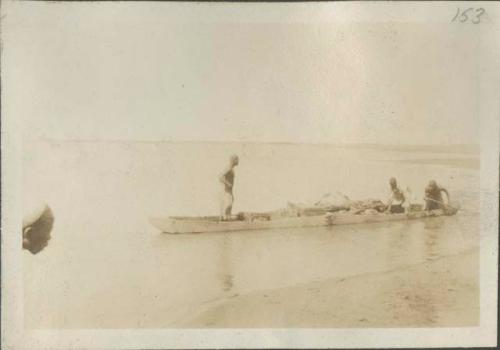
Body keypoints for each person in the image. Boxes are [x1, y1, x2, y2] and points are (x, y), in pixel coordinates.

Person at [219, 155, 239, 221]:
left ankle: (227, 218)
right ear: (233, 160)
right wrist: (227, 183)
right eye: (237, 159)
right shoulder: (228, 168)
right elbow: (220, 176)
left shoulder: (231, 168)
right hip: (226, 190)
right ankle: (224, 218)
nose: (238, 161)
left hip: (229, 190)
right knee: (228, 203)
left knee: (230, 202)